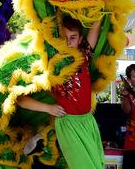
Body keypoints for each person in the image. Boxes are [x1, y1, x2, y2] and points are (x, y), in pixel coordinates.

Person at [16, 16, 103, 169]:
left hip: (88, 122)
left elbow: (96, 25)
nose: (69, 42)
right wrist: (47, 108)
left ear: (80, 39)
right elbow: (21, 99)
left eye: (73, 37)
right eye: (64, 38)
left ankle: (41, 138)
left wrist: (102, 1)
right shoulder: (50, 66)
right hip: (68, 124)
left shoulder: (84, 57)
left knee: (97, 165)